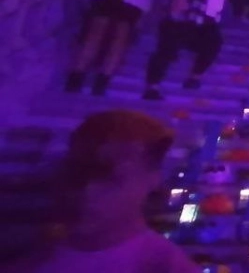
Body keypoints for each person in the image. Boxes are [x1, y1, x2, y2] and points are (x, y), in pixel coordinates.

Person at [5, 110, 198, 273]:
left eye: (112, 178)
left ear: (152, 179)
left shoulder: (165, 265)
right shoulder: (36, 252)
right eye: (81, 172)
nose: (89, 190)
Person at [142, 0, 232, 100]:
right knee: (167, 50)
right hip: (184, 15)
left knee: (213, 43)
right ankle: (152, 86)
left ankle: (194, 77)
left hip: (206, 19)